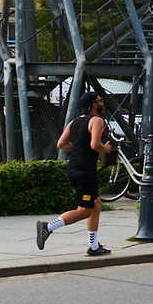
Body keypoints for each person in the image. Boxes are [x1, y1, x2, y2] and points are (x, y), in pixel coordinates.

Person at [36, 89, 113, 256]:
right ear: (93, 105)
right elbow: (95, 145)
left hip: (74, 169)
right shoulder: (97, 120)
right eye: (100, 100)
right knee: (84, 211)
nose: (102, 103)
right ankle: (47, 227)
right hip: (86, 171)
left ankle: (93, 247)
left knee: (95, 205)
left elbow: (61, 144)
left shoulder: (74, 122)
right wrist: (105, 148)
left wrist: (78, 147)